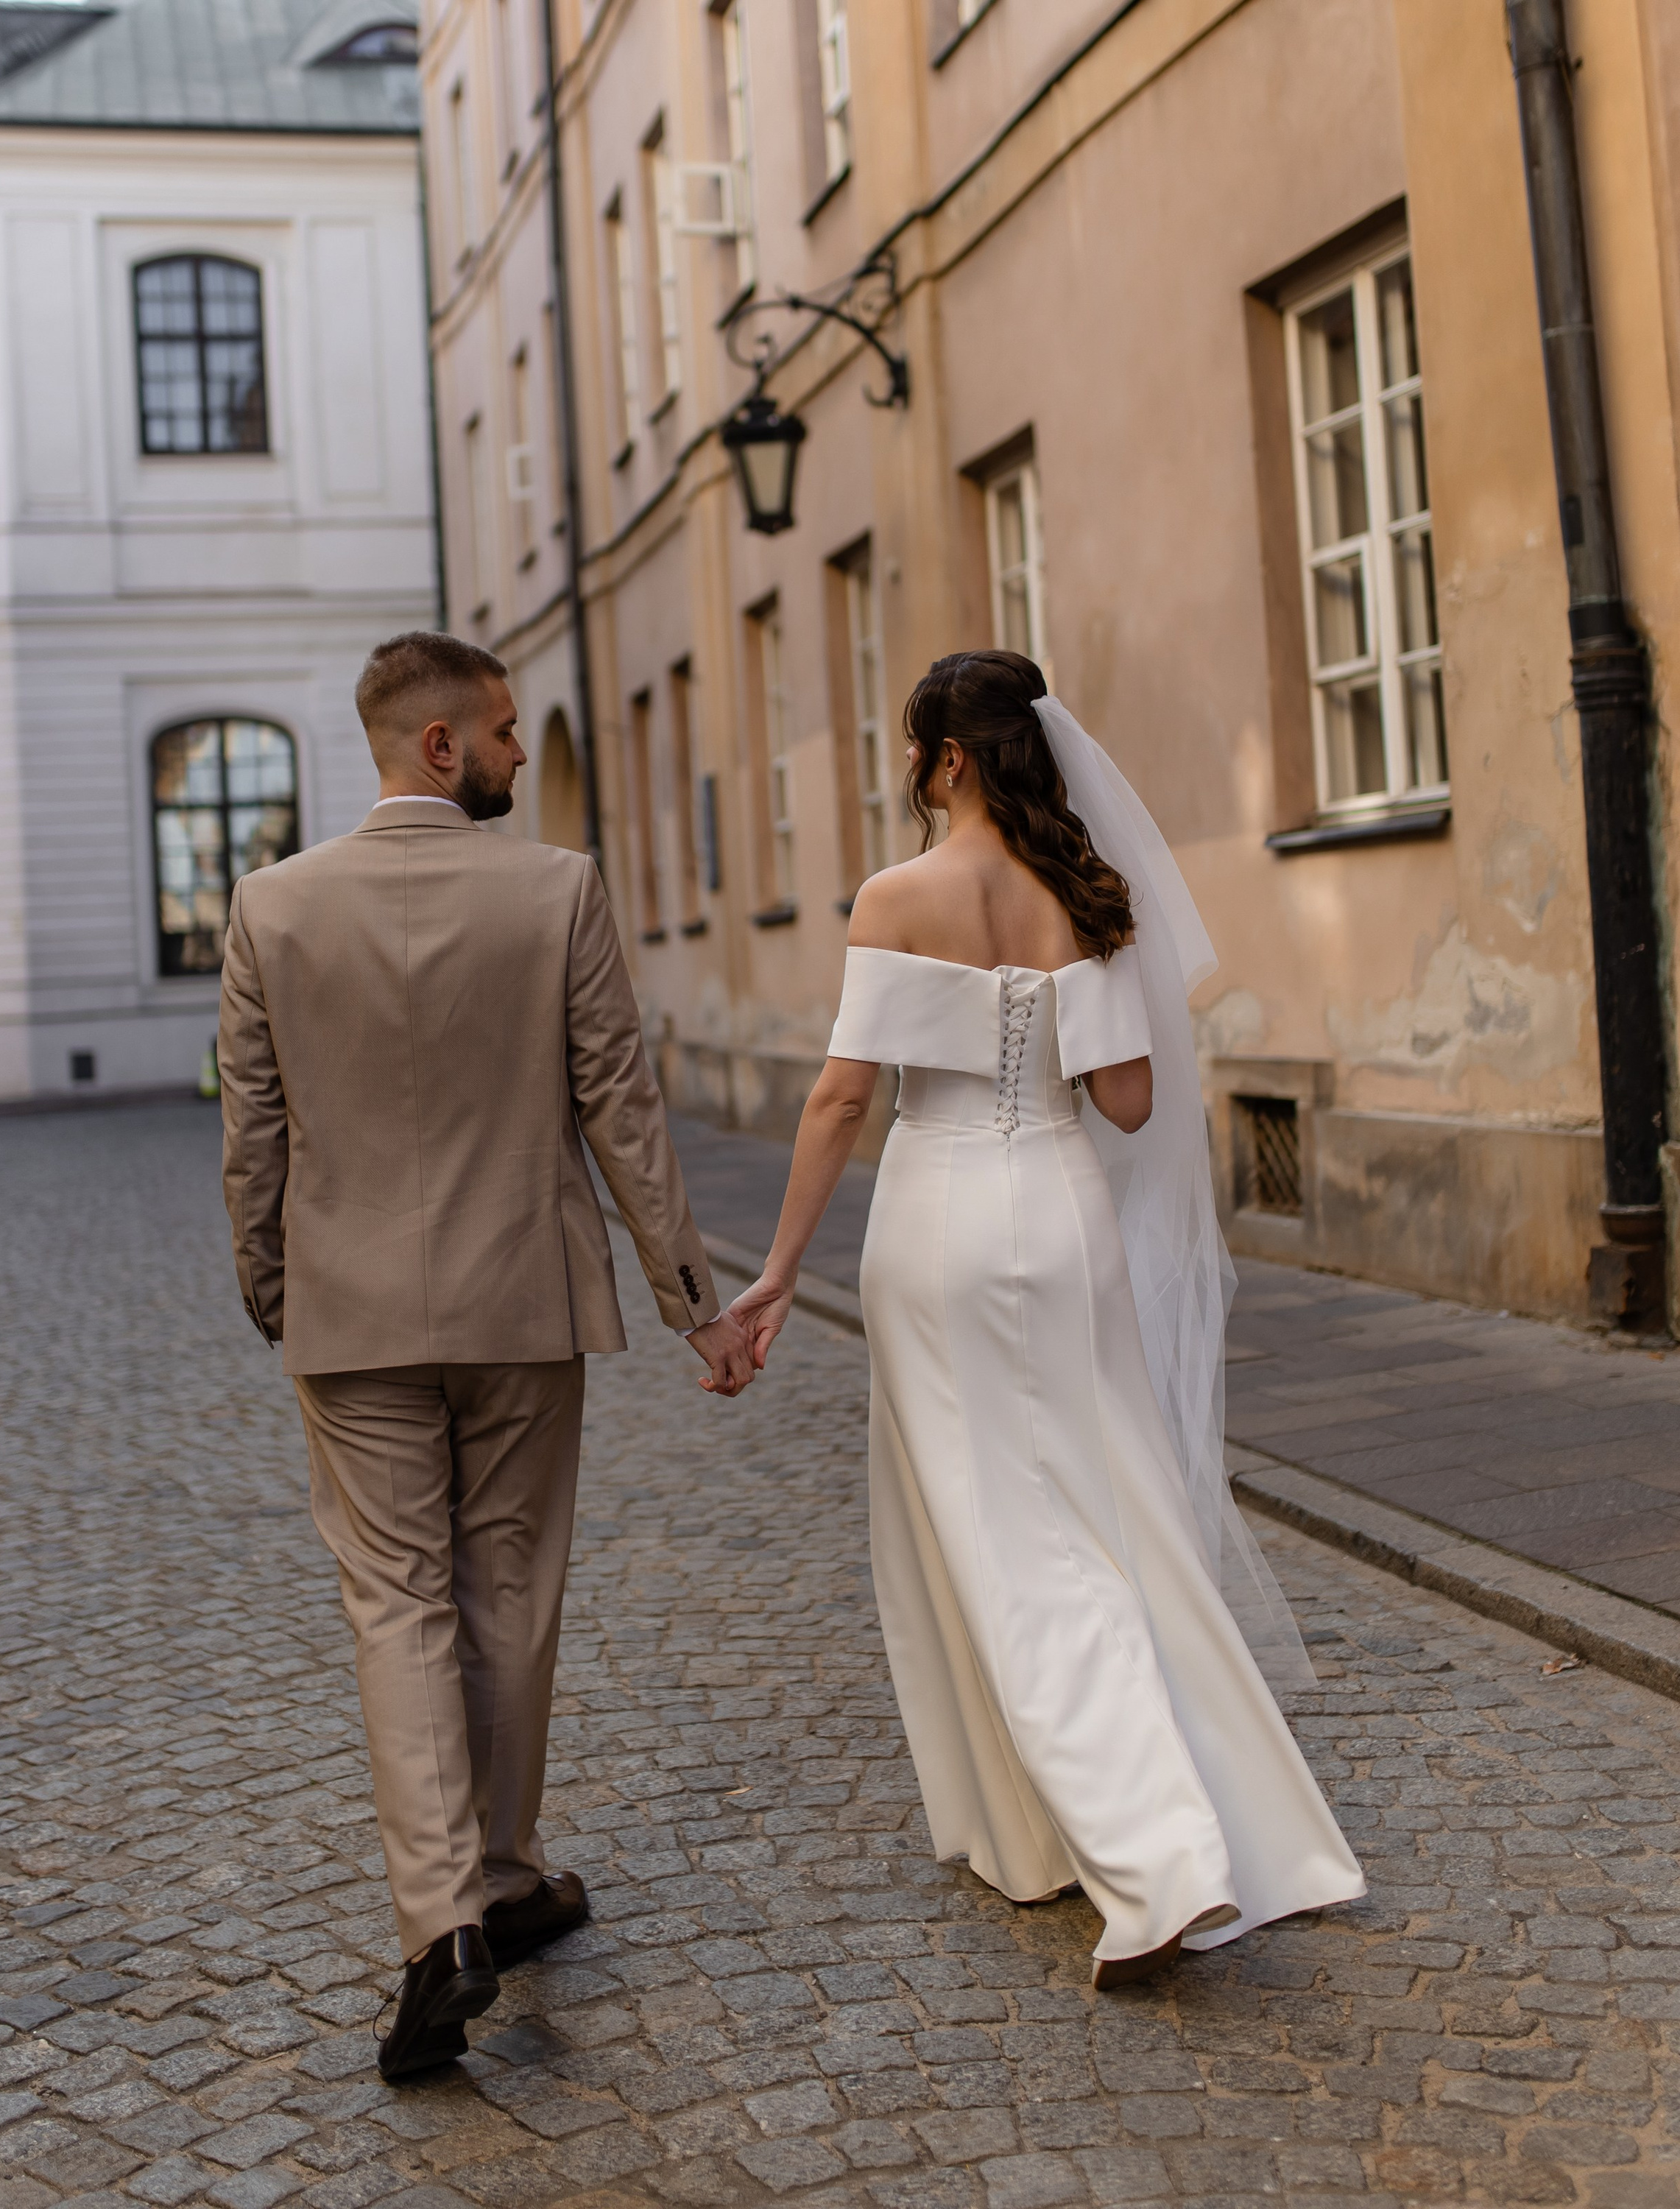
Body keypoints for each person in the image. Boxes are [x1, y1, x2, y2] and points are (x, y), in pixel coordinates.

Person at [725, 652, 1363, 1987]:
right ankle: (1122, 1829)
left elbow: (844, 1099)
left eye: (913, 753)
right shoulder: (1087, 896)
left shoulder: (897, 897)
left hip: (944, 1219)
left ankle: (1162, 1859)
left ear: (945, 760)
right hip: (1065, 1218)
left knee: (1002, 1542)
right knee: (1109, 1507)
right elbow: (1131, 1103)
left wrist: (780, 1269)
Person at [219, 631, 755, 2080]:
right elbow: (619, 1107)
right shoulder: (554, 889)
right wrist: (692, 1298)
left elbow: (252, 1128)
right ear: (438, 747)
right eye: (505, 734)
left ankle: (447, 1920)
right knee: (508, 1587)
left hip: (352, 1312)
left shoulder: (270, 908)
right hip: (524, 1300)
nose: (523, 754)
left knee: (398, 1604)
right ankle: (503, 1879)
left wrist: (275, 1288)